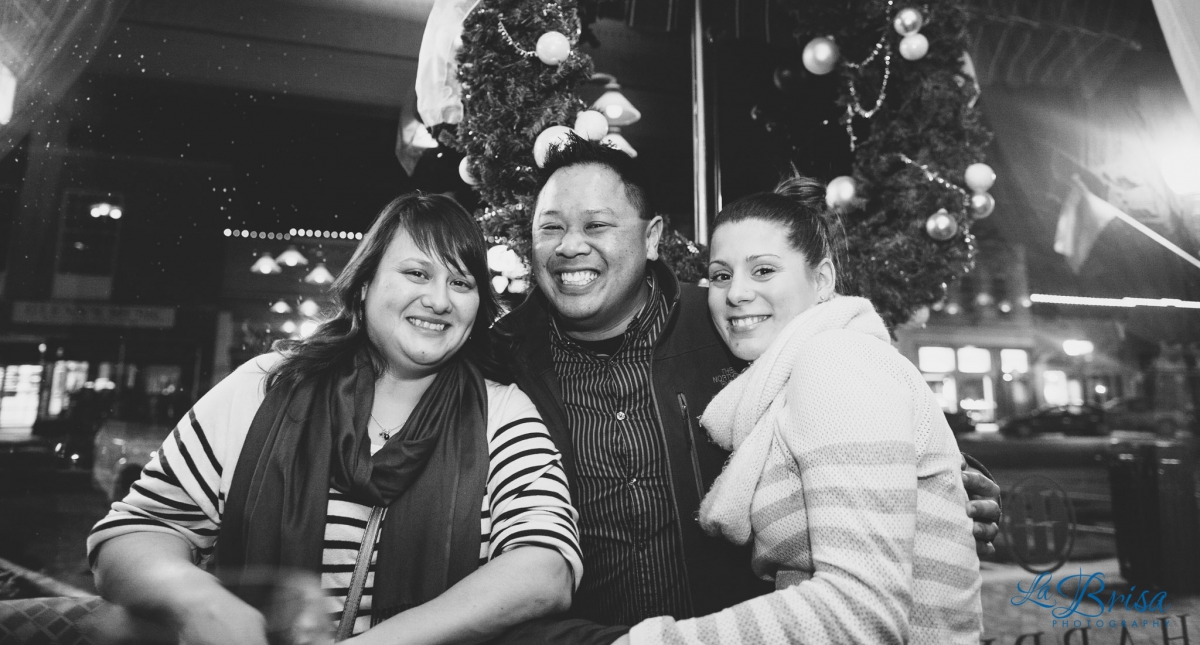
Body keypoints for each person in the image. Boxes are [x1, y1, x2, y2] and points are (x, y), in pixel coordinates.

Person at [493, 136, 1000, 644]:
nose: (570, 245)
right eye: (550, 227)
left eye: (596, 225)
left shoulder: (732, 330)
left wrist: (950, 484)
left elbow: (862, 423)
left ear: (652, 237)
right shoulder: (500, 360)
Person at [88, 192, 584, 645]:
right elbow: (131, 534)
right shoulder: (266, 387)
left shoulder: (501, 411)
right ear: (365, 284)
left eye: (460, 283)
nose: (439, 300)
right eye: (417, 273)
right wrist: (200, 601)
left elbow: (545, 568)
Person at [617, 176, 982, 644]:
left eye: (763, 270)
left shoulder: (838, 360)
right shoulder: (778, 390)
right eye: (721, 275)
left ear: (822, 279)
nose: (736, 293)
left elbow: (862, 613)